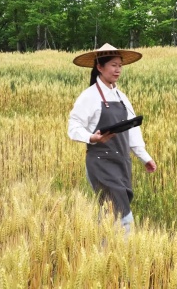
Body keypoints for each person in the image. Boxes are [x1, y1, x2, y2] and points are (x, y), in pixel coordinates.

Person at [68, 43, 157, 234]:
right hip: (101, 162)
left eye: (120, 65)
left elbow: (133, 129)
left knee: (110, 211)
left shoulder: (122, 97)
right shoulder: (89, 96)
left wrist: (144, 157)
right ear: (100, 67)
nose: (118, 70)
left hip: (121, 162)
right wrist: (91, 137)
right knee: (121, 211)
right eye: (113, 65)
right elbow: (73, 126)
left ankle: (103, 250)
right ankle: (125, 250)